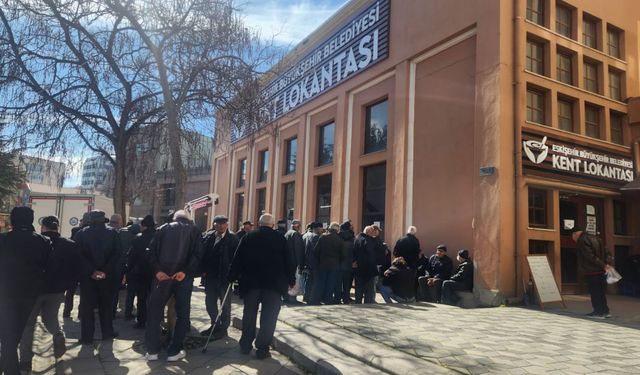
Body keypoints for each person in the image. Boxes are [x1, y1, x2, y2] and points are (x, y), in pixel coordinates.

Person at [19, 216, 82, 372]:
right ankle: (58, 334)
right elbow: (75, 268)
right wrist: (67, 286)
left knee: (28, 324)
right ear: (57, 227)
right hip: (57, 290)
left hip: (35, 291)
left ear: (43, 227)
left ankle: (26, 361)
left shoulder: (36, 242)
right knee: (51, 317)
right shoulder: (70, 244)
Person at [228, 214, 295, 360]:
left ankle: (246, 344)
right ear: (273, 225)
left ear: (259, 224)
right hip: (274, 285)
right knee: (269, 318)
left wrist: (231, 276)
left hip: (252, 284)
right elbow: (289, 261)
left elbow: (237, 258)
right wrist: (291, 279)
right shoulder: (280, 238)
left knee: (249, 314)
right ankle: (262, 348)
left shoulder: (248, 237)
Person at [144, 210, 202, 362]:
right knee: (182, 314)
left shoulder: (163, 228)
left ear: (175, 218)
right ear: (188, 219)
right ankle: (174, 351)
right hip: (183, 278)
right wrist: (185, 271)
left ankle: (152, 351)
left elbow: (150, 252)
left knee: (154, 313)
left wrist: (158, 271)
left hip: (162, 278)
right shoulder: (195, 231)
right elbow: (198, 254)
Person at [0, 207, 52, 375]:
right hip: (29, 295)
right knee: (13, 335)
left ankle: (10, 369)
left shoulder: (3, 239)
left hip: (4, 292)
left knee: (7, 337)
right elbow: (48, 268)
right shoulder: (43, 241)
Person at [75, 210, 122, 344]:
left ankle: (87, 337)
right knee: (106, 305)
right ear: (104, 219)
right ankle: (107, 332)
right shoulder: (113, 233)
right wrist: (104, 271)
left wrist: (92, 271)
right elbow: (117, 254)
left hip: (87, 277)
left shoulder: (81, 234)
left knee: (87, 307)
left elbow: (78, 255)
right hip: (107, 277)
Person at [200, 215, 239, 340]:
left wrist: (234, 275)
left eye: (223, 223)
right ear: (214, 225)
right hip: (210, 277)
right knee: (210, 303)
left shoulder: (233, 238)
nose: (220, 226)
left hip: (224, 278)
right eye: (217, 223)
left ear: (227, 225)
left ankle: (223, 329)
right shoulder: (209, 237)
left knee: (225, 305)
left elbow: (237, 258)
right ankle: (215, 324)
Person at [124, 215, 156, 329]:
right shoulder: (159, 237)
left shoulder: (138, 238)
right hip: (155, 272)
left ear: (144, 226)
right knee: (155, 298)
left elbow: (131, 257)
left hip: (141, 273)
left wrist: (128, 271)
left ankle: (141, 321)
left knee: (141, 299)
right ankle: (154, 321)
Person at [572, 228, 611, 318]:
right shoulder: (597, 238)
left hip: (592, 271)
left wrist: (603, 265)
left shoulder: (582, 240)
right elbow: (607, 252)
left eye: (573, 237)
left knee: (595, 292)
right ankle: (605, 311)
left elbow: (589, 256)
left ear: (575, 234)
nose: (573, 240)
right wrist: (606, 264)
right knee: (601, 292)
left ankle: (598, 312)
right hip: (601, 271)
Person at [64, 212, 91, 318]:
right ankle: (81, 312)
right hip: (85, 264)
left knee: (70, 290)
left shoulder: (75, 230)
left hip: (74, 264)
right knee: (84, 291)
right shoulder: (91, 232)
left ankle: (67, 311)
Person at [310, 222, 343, 305]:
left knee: (320, 283)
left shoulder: (323, 237)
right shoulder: (340, 240)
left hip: (323, 264)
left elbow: (316, 251)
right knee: (331, 283)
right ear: (337, 230)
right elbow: (342, 254)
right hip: (334, 265)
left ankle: (316, 300)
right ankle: (328, 300)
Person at [119, 218, 141, 319]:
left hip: (120, 263)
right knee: (137, 292)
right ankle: (137, 313)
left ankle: (125, 312)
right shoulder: (139, 237)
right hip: (136, 267)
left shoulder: (121, 232)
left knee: (122, 290)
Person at [352, 226, 379, 304]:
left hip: (358, 267)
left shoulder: (357, 238)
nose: (373, 234)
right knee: (369, 290)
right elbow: (371, 254)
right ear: (368, 232)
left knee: (359, 288)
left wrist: (354, 261)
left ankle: (358, 303)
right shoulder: (368, 240)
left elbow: (353, 251)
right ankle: (368, 305)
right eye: (372, 232)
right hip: (368, 268)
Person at [284, 220, 305, 304]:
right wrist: (300, 263)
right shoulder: (295, 234)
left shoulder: (287, 233)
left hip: (287, 261)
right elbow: (298, 250)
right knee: (294, 281)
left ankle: (286, 297)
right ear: (298, 226)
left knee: (289, 280)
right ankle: (292, 298)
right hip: (294, 262)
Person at [301, 222, 322, 302]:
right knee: (315, 281)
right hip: (315, 262)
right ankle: (313, 299)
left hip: (308, 262)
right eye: (321, 228)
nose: (322, 230)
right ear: (317, 228)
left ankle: (306, 297)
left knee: (309, 281)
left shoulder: (306, 235)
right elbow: (317, 251)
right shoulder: (315, 237)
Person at [336, 221, 355, 304]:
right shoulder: (352, 237)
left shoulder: (338, 236)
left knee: (338, 283)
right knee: (347, 283)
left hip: (338, 263)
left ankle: (337, 298)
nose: (353, 227)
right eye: (351, 226)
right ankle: (346, 298)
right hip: (349, 263)